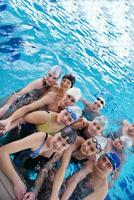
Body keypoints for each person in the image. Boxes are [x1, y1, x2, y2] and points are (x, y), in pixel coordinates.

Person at [0, 126, 77, 200]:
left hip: (19, 169)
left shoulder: (57, 153)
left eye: (63, 145)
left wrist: (34, 191)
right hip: (7, 160)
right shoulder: (39, 139)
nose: (58, 144)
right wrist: (17, 182)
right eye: (59, 138)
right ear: (56, 133)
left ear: (66, 148)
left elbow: (43, 170)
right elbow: (3, 151)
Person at [49, 135, 107, 200]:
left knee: (65, 180)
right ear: (88, 139)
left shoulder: (91, 163)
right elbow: (63, 166)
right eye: (88, 143)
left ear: (95, 154)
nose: (86, 148)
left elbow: (75, 181)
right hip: (60, 163)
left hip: (65, 175)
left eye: (92, 149)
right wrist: (54, 194)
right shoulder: (76, 141)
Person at [0, 87, 82, 134]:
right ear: (64, 94)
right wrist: (9, 120)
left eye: (72, 100)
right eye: (68, 96)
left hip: (39, 124)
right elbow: (28, 108)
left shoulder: (70, 112)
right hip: (29, 111)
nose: (68, 101)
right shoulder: (52, 97)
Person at [0, 106, 82, 145]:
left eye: (69, 120)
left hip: (31, 143)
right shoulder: (45, 116)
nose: (65, 118)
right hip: (22, 133)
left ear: (71, 123)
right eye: (65, 114)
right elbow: (22, 119)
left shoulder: (66, 130)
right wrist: (6, 129)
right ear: (62, 110)